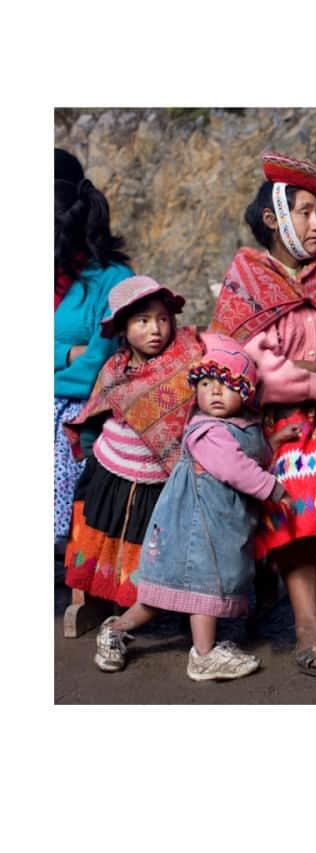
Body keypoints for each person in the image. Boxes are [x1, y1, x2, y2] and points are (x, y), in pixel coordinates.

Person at [210, 151, 316, 676]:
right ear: (273, 219)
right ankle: (306, 626)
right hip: (279, 432)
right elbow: (251, 368)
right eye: (305, 212)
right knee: (295, 521)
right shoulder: (248, 279)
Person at [92, 335, 297, 680]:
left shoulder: (243, 426)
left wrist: (273, 442)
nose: (215, 392)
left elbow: (249, 455)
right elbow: (234, 467)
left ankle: (116, 630)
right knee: (200, 587)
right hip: (195, 529)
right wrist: (273, 489)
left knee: (169, 593)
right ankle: (203, 656)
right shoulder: (206, 430)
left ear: (245, 392)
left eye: (226, 384)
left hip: (214, 525)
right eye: (206, 384)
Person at [63, 276, 203, 612]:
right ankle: (103, 599)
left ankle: (149, 603)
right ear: (124, 328)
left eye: (163, 319)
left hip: (160, 479)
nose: (156, 329)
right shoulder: (114, 369)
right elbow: (95, 412)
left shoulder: (186, 362)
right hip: (112, 471)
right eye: (143, 320)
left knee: (150, 540)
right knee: (105, 532)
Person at [54, 148, 133, 554]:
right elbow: (80, 360)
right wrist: (66, 353)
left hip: (82, 412)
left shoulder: (112, 279)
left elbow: (96, 368)